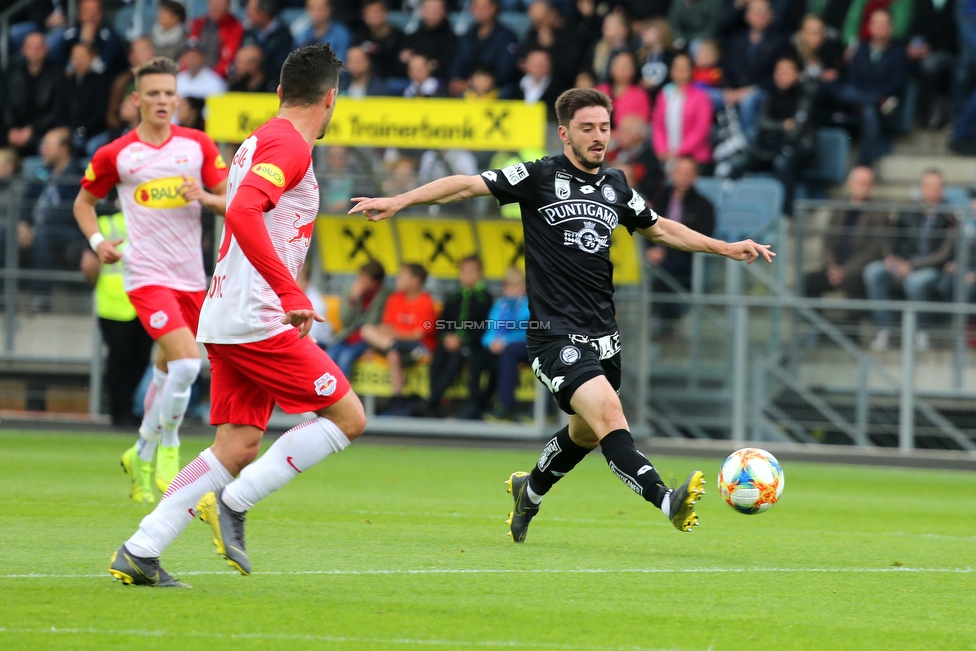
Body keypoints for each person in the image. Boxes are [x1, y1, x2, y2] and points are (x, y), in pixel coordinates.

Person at [349, 88, 774, 542]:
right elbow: (466, 184)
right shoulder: (538, 176)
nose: (598, 137)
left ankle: (526, 493)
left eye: (605, 128)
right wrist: (399, 200)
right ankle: (666, 499)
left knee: (585, 436)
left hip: (604, 339)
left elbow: (662, 228)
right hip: (554, 338)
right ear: (564, 132)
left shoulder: (615, 185)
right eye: (587, 128)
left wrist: (724, 247)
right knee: (611, 415)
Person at [109, 43, 363, 588]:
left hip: (227, 312)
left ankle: (141, 548)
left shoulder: (261, 140)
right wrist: (290, 293)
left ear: (279, 92)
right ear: (331, 98)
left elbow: (241, 206)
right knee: (348, 417)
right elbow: (246, 208)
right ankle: (234, 502)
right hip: (258, 316)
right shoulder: (289, 145)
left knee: (237, 445)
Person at [75, 57, 228, 505]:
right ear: (136, 100)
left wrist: (205, 197)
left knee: (167, 370)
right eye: (154, 94)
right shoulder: (117, 154)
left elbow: (230, 202)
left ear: (177, 99)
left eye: (169, 93)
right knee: (185, 364)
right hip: (145, 276)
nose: (162, 101)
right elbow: (83, 204)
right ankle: (169, 447)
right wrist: (99, 239)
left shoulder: (198, 146)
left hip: (191, 278)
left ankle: (139, 451)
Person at [864, 169, 956, 352]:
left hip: (932, 268)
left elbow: (944, 253)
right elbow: (891, 238)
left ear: (943, 190)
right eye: (928, 185)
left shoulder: (950, 217)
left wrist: (913, 266)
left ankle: (920, 332)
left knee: (915, 282)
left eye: (937, 186)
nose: (932, 190)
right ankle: (884, 329)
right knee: (874, 272)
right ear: (921, 188)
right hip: (902, 263)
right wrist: (889, 256)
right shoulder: (907, 212)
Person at [81, 212, 154, 427]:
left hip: (124, 302)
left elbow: (88, 266)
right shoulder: (148, 222)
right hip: (129, 303)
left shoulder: (106, 224)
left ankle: (123, 410)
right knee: (133, 360)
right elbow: (90, 264)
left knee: (124, 360)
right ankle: (121, 410)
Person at [803, 166, 888, 326]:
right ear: (850, 184)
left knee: (855, 285)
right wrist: (832, 266)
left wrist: (846, 270)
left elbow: (874, 249)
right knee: (808, 282)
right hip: (835, 268)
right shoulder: (839, 209)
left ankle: (850, 334)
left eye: (867, 183)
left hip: (857, 270)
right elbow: (828, 242)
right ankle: (820, 329)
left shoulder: (879, 213)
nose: (863, 186)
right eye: (860, 182)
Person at [828, 8, 908, 166]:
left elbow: (896, 83)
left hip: (884, 102)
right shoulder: (860, 49)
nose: (879, 27)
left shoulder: (899, 52)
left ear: (891, 27)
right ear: (869, 26)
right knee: (833, 88)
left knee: (869, 111)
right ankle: (870, 101)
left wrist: (871, 97)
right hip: (859, 97)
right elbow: (852, 78)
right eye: (875, 23)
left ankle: (865, 164)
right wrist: (870, 98)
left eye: (884, 24)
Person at [360, 263, 438, 415]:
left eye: (402, 276)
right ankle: (398, 399)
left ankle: (392, 345)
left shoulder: (426, 302)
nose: (397, 279)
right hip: (395, 343)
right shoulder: (395, 298)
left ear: (415, 281)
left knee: (392, 348)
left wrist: (393, 334)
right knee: (368, 331)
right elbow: (385, 327)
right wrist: (389, 337)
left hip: (418, 348)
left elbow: (418, 335)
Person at [646, 156, 715, 330]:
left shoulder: (704, 206)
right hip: (655, 253)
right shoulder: (661, 198)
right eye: (680, 172)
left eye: (688, 173)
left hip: (684, 258)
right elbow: (646, 226)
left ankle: (663, 323)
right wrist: (651, 249)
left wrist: (666, 252)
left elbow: (703, 237)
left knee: (667, 269)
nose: (683, 177)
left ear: (695, 176)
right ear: (672, 174)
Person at [22, 127, 87, 311]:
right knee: (4, 234)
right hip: (35, 229)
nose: (43, 150)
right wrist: (22, 224)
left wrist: (38, 227)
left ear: (64, 149)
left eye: (48, 146)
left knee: (43, 235)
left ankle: (40, 297)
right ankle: (3, 297)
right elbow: (26, 203)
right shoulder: (42, 173)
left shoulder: (78, 176)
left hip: (68, 233)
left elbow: (74, 211)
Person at [423, 255, 495, 419]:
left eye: (472, 271)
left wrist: (462, 339)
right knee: (437, 360)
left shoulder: (485, 298)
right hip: (449, 342)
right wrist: (447, 337)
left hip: (473, 344)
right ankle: (435, 404)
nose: (467, 275)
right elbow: (441, 323)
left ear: (480, 274)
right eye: (464, 271)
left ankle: (434, 400)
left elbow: (484, 325)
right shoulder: (453, 297)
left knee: (458, 359)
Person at [744, 56, 817, 215]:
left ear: (797, 74)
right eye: (778, 71)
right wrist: (783, 125)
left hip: (798, 150)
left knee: (782, 163)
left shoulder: (805, 95)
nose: (780, 75)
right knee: (738, 164)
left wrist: (774, 129)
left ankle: (785, 214)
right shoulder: (771, 94)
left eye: (786, 71)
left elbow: (797, 132)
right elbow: (762, 123)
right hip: (772, 146)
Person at [722, 0, 787, 136]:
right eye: (756, 12)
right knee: (707, 96)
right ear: (747, 16)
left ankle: (746, 143)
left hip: (761, 91)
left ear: (771, 16)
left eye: (764, 12)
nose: (760, 16)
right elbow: (726, 69)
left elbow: (776, 77)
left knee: (748, 101)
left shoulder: (779, 44)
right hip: (733, 90)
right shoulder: (736, 40)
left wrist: (748, 90)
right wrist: (728, 89)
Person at [482, 267, 531, 421]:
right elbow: (489, 331)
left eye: (516, 286)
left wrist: (505, 341)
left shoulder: (530, 305)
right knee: (481, 357)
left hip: (528, 346)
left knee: (509, 351)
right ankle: (481, 405)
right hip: (503, 349)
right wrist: (491, 342)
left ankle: (506, 405)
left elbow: (530, 332)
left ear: (523, 286)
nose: (512, 290)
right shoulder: (499, 306)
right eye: (508, 286)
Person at [328, 260, 390, 378]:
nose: (359, 281)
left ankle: (344, 395)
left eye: (364, 278)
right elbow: (345, 321)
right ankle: (327, 394)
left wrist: (374, 347)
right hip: (348, 336)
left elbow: (378, 324)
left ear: (375, 282)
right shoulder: (350, 291)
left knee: (345, 357)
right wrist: (353, 299)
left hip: (367, 340)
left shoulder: (385, 295)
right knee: (329, 356)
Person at [3, 32, 62, 157]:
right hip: (13, 130)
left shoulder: (57, 75)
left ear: (46, 49)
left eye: (39, 47)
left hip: (43, 131)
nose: (35, 51)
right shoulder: (11, 74)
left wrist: (32, 130)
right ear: (23, 50)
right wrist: (10, 130)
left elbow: (57, 111)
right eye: (31, 47)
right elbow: (5, 105)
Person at [652, 52, 714, 166]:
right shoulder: (664, 94)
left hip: (694, 157)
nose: (680, 71)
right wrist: (661, 150)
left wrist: (678, 152)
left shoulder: (701, 96)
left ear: (691, 70)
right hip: (666, 156)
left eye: (684, 68)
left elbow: (701, 129)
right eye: (677, 67)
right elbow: (658, 125)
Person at [448, 0, 520, 97]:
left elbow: (506, 70)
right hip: (468, 88)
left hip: (497, 88)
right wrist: (456, 80)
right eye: (476, 7)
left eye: (483, 7)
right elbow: (457, 63)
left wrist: (477, 82)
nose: (479, 11)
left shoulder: (507, 36)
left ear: (493, 8)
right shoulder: (467, 36)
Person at [59, 43, 111, 155]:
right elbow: (61, 110)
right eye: (75, 57)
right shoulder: (67, 83)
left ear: (91, 58)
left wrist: (80, 129)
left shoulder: (101, 82)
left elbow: (99, 114)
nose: (79, 61)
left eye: (82, 57)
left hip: (94, 133)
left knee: (91, 147)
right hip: (71, 132)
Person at [401, 0, 458, 80]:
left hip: (440, 85)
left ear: (445, 11)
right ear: (421, 10)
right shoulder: (411, 38)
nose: (432, 13)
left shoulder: (453, 41)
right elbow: (398, 66)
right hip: (410, 83)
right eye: (428, 8)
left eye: (436, 9)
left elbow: (450, 68)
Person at [242, 0, 295, 84]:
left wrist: (258, 63)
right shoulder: (249, 33)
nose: (248, 14)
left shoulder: (284, 36)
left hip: (272, 86)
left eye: (251, 10)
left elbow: (282, 65)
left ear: (263, 13)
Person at [352, 0, 407, 81]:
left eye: (377, 12)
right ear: (364, 16)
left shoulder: (399, 36)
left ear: (386, 13)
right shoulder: (361, 36)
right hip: (367, 82)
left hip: (393, 80)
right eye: (370, 13)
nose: (374, 16)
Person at [189, 0, 244, 79]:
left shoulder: (235, 27)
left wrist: (212, 75)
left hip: (219, 76)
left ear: (228, 6)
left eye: (219, 4)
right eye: (213, 4)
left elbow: (229, 56)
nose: (215, 7)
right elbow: (189, 51)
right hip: (195, 73)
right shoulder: (198, 24)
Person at [596, 51, 652, 126]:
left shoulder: (640, 94)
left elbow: (640, 125)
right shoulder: (600, 91)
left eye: (626, 66)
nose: (623, 69)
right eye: (619, 65)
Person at [514, 49, 559, 118]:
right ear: (524, 64)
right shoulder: (514, 87)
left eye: (542, 62)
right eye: (534, 62)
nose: (538, 65)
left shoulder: (559, 88)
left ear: (550, 64)